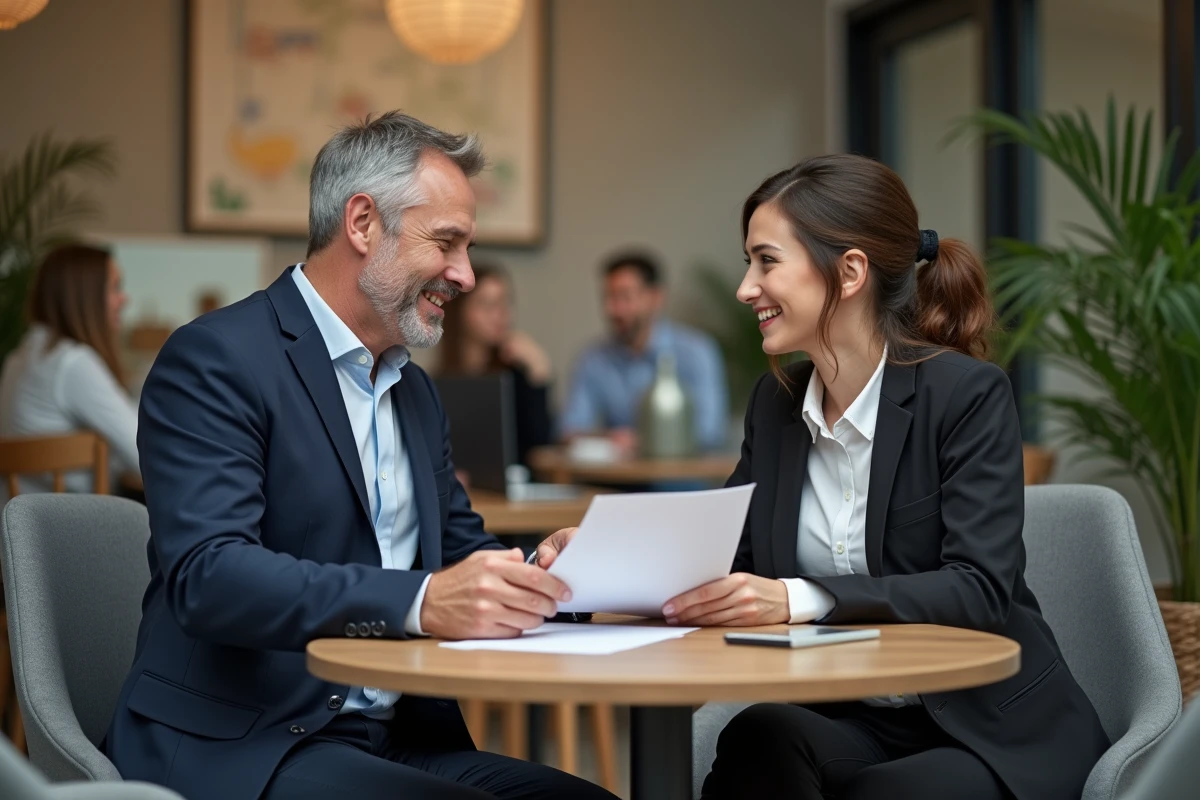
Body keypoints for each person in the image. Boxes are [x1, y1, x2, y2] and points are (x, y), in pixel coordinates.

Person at [104, 112, 615, 800]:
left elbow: (461, 554)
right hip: (242, 744)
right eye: (448, 243)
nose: (464, 275)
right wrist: (423, 600)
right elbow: (210, 575)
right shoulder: (217, 358)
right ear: (363, 223)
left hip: (389, 738)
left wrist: (544, 573)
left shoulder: (413, 390)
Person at [661, 154, 1109, 800]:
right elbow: (734, 554)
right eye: (747, 263)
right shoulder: (777, 403)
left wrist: (799, 599)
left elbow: (978, 589)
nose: (745, 288)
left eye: (766, 261)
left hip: (992, 729)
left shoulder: (965, 395)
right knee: (759, 739)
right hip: (864, 717)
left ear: (849, 272)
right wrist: (601, 556)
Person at [0, 243, 139, 492]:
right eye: (115, 288)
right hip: (68, 526)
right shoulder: (72, 362)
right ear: (85, 297)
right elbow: (145, 452)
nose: (124, 298)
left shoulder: (18, 358)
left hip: (17, 524)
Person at [561, 252, 728, 454]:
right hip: (616, 479)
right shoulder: (592, 358)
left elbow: (710, 431)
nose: (613, 309)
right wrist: (610, 439)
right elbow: (569, 429)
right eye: (608, 298)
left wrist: (644, 441)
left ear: (656, 298)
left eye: (625, 297)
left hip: (678, 478)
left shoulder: (696, 352)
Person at [437, 263, 554, 467]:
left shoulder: (516, 375)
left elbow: (540, 450)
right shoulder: (438, 382)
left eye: (505, 303)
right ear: (461, 310)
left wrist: (539, 372)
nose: (501, 314)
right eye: (488, 305)